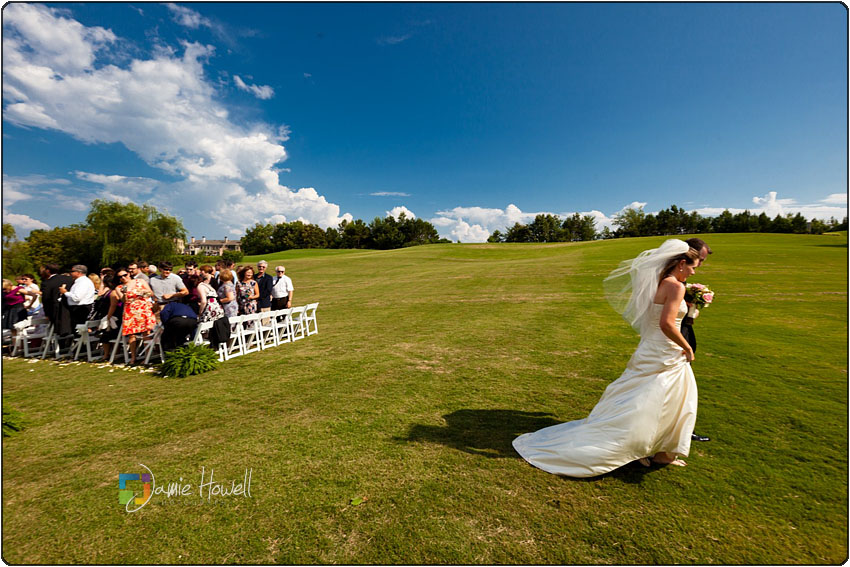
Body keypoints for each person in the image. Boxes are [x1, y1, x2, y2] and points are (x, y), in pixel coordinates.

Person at [513, 239, 701, 477]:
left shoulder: (659, 282)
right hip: (665, 350)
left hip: (652, 348)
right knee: (666, 399)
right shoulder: (676, 287)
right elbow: (666, 323)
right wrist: (687, 347)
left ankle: (661, 451)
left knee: (651, 397)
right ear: (682, 263)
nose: (694, 271)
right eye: (693, 266)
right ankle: (648, 449)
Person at [682, 237, 712, 443]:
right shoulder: (674, 282)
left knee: (681, 388)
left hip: (682, 332)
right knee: (680, 388)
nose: (698, 266)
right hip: (676, 338)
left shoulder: (680, 281)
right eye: (698, 260)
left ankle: (680, 429)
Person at [116, 268, 155, 365]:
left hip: (143, 309)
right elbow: (123, 301)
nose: (123, 277)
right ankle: (133, 357)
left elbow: (150, 293)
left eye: (124, 275)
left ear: (128, 274)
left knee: (146, 333)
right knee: (131, 335)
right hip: (130, 311)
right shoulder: (119, 287)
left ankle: (147, 356)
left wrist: (139, 292)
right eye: (120, 277)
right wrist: (125, 294)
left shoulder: (140, 281)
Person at [39, 263, 73, 330]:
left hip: (56, 310)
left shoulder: (47, 283)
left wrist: (47, 314)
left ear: (48, 271)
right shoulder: (69, 279)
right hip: (71, 307)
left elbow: (46, 299)